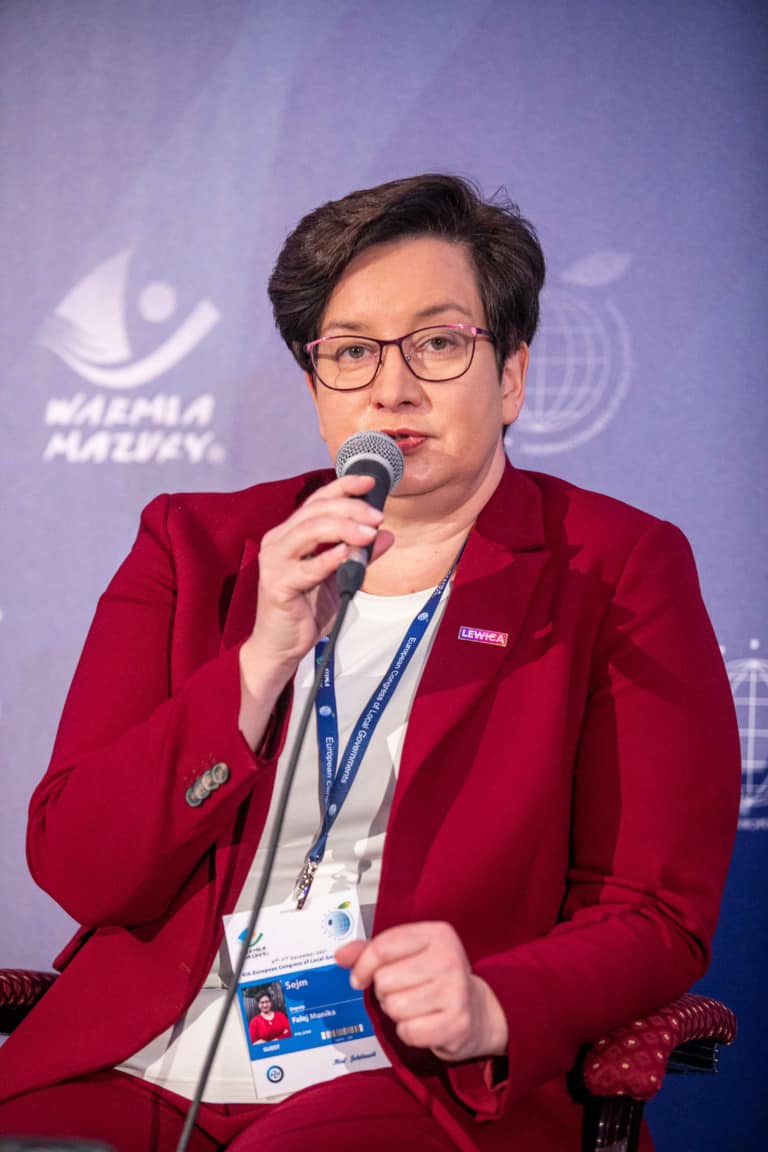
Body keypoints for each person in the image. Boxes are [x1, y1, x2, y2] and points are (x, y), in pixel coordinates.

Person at [0, 174, 740, 1151]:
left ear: (511, 375)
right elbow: (81, 867)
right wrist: (259, 663)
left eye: (438, 342)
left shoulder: (616, 566)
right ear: (315, 389)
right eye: (351, 352)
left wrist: (494, 1002)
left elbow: (654, 912)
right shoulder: (194, 549)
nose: (392, 389)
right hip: (148, 1054)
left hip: (416, 1076)